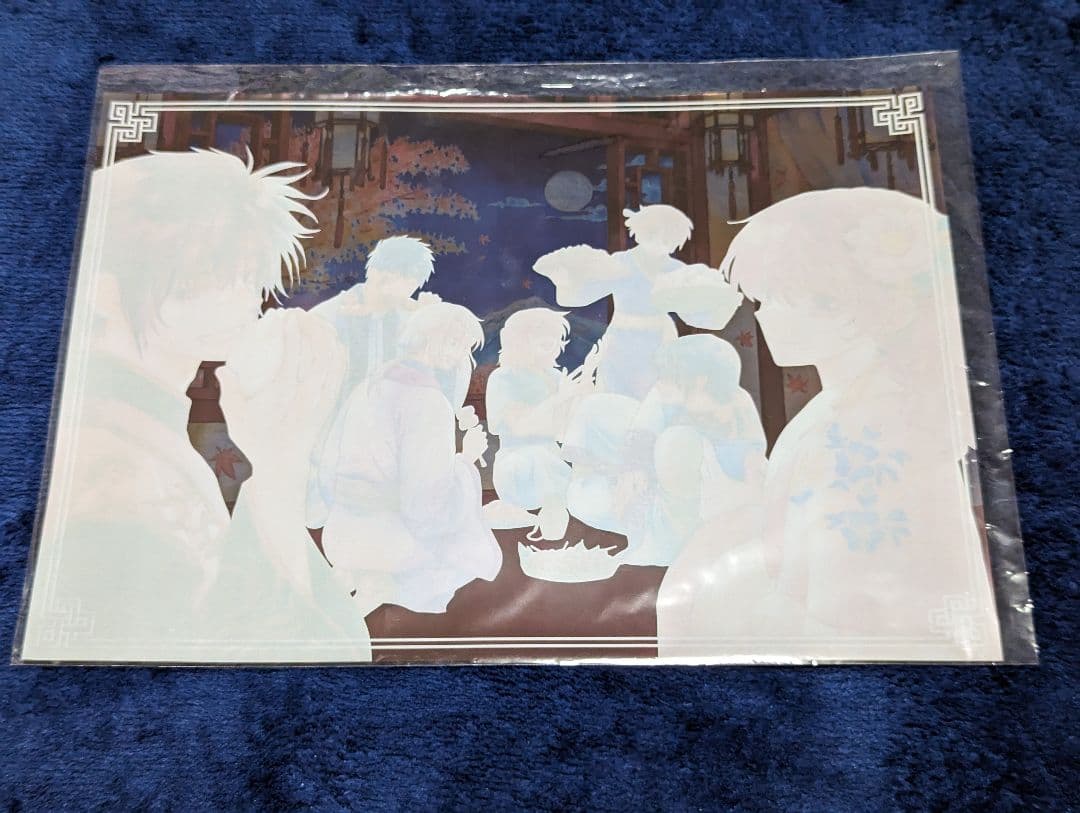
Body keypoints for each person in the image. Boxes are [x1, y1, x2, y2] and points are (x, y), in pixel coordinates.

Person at [21, 148, 370, 662]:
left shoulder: (148, 420)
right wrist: (280, 469)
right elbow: (288, 662)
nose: (242, 299)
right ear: (103, 289)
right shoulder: (118, 468)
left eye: (246, 275)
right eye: (201, 279)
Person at [660, 188, 1002, 661]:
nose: (758, 314)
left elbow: (841, 625)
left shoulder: (863, 434)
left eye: (772, 298)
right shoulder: (846, 407)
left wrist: (708, 575)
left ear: (846, 306)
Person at [313, 302, 502, 615]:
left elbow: (327, 469)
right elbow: (427, 508)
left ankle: (361, 575)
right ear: (433, 339)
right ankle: (383, 584)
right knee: (471, 554)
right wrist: (466, 461)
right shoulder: (428, 401)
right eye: (457, 345)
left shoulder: (369, 385)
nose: (461, 357)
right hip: (391, 544)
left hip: (339, 533)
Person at [534, 204, 742, 399]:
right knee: (616, 395)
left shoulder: (677, 270)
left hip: (659, 343)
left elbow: (692, 314)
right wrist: (565, 280)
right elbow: (582, 296)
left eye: (667, 240)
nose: (659, 244)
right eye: (653, 235)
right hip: (622, 341)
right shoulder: (621, 263)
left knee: (655, 399)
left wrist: (723, 304)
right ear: (641, 232)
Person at [484, 308, 593, 541]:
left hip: (554, 464)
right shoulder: (503, 378)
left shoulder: (555, 378)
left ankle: (558, 523)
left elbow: (563, 432)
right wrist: (560, 399)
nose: (554, 352)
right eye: (545, 345)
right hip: (517, 468)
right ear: (520, 344)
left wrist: (580, 397)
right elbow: (520, 427)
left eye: (557, 345)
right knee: (538, 458)